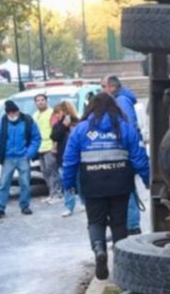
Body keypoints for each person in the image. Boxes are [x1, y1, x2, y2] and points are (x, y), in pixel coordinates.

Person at [63, 92, 149, 280]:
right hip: (120, 182)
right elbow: (138, 157)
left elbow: (69, 160)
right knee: (119, 222)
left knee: (95, 221)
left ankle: (99, 250)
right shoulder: (124, 127)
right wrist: (148, 179)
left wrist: (68, 183)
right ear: (114, 107)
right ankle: (120, 262)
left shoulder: (80, 129)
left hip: (92, 184)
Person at [101, 75, 143, 235]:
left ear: (111, 87)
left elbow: (128, 126)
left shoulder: (121, 101)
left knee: (128, 190)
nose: (102, 90)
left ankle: (132, 227)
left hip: (126, 152)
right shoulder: (122, 99)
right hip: (127, 151)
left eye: (103, 86)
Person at [0, 99, 41, 219]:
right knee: (3, 184)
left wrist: (28, 154)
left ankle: (25, 206)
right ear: (7, 113)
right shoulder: (1, 123)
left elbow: (36, 138)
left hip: (23, 157)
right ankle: (0, 208)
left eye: (14, 112)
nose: (12, 115)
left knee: (25, 183)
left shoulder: (28, 121)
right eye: (10, 113)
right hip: (8, 158)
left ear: (18, 112)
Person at [49, 100, 80, 217]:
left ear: (65, 112)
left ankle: (84, 202)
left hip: (77, 158)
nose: (56, 115)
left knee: (80, 182)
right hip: (63, 158)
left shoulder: (77, 123)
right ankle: (69, 206)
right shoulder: (59, 125)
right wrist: (63, 125)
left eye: (58, 112)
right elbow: (54, 136)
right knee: (66, 183)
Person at [32, 94, 60, 205]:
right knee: (45, 172)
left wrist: (54, 146)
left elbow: (55, 130)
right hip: (40, 147)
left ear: (47, 101)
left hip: (50, 146)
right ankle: (51, 193)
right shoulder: (35, 115)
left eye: (42, 100)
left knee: (52, 171)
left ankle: (57, 194)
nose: (40, 102)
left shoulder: (51, 113)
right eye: (38, 100)